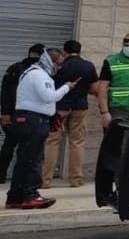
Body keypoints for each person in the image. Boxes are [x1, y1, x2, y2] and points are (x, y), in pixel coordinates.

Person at [6, 49, 75, 210]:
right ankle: (31, 196)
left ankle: (15, 197)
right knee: (34, 160)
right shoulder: (38, 74)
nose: (59, 68)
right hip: (34, 121)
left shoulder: (34, 73)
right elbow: (49, 97)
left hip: (29, 119)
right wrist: (66, 87)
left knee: (24, 160)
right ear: (50, 61)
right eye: (58, 64)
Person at [43, 39, 98, 187]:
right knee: (77, 142)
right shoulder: (88, 66)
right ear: (79, 50)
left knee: (53, 142)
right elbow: (94, 89)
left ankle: (46, 180)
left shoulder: (59, 66)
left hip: (59, 107)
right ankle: (75, 179)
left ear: (65, 51)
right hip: (80, 107)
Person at [0, 44, 44, 184]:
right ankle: (25, 179)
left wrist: (5, 113)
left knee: (9, 145)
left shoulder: (14, 68)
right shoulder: (40, 71)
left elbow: (5, 92)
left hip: (13, 114)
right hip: (32, 117)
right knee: (31, 150)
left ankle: (2, 175)